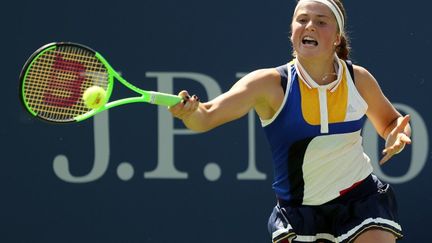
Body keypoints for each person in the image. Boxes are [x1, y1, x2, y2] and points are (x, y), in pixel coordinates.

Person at [169, 0, 412, 242]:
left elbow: (392, 122)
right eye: (302, 19)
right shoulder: (269, 84)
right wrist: (190, 113)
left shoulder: (358, 79)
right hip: (298, 214)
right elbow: (207, 115)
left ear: (337, 37)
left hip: (360, 201)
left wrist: (397, 134)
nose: (310, 26)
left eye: (321, 21)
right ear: (292, 32)